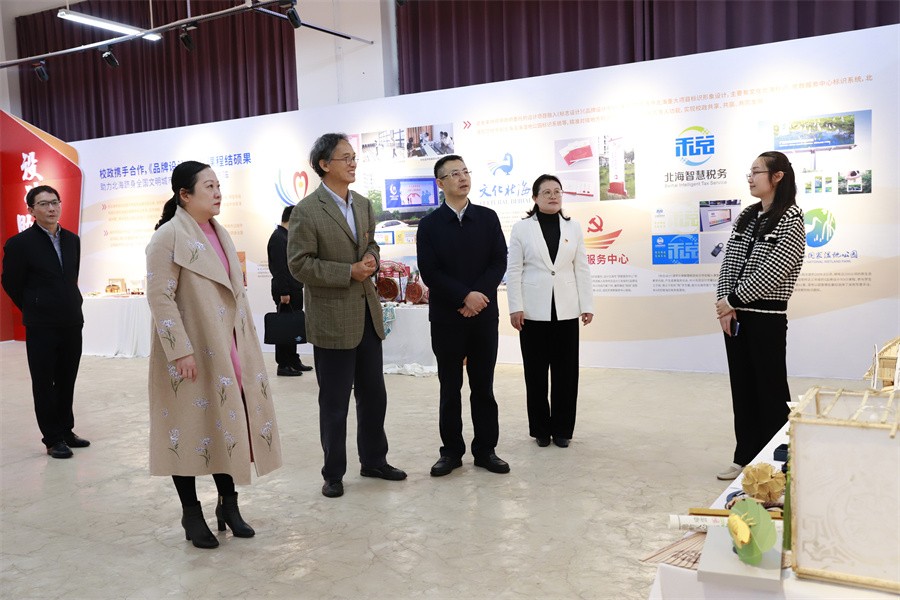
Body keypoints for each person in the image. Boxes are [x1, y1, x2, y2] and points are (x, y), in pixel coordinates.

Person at [146, 161, 283, 548]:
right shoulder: (167, 237)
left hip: (228, 347)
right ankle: (191, 514)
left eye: (218, 185)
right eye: (208, 186)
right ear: (184, 195)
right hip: (191, 352)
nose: (217, 192)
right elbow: (159, 297)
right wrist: (180, 351)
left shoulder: (218, 233)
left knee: (227, 423)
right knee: (188, 427)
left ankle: (229, 505)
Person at [287, 133, 406, 498]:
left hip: (367, 315)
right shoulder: (307, 210)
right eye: (346, 157)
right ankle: (333, 473)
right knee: (335, 403)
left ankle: (374, 461)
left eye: (354, 156)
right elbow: (299, 264)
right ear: (324, 165)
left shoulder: (363, 205)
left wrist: (371, 258)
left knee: (374, 397)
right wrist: (347, 272)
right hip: (332, 319)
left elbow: (371, 243)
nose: (353, 163)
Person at [416, 154, 510, 477]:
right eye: (454, 173)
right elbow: (430, 271)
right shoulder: (429, 225)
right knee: (450, 387)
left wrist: (477, 296)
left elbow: (499, 260)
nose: (462, 177)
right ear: (440, 183)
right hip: (447, 318)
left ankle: (486, 450)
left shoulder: (487, 217)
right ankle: (451, 452)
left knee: (483, 387)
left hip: (483, 316)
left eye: (465, 171)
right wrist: (463, 296)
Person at [714, 151, 805, 480]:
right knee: (742, 388)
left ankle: (778, 463)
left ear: (777, 176)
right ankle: (745, 457)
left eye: (757, 172)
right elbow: (730, 262)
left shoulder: (791, 217)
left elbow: (777, 268)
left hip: (767, 317)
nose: (750, 178)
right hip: (736, 316)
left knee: (771, 390)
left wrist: (733, 299)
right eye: (749, 173)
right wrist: (725, 302)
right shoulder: (747, 215)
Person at [2, 185, 89, 459]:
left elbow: (71, 277)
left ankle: (66, 430)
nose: (51, 208)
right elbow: (11, 282)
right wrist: (34, 305)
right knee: (44, 382)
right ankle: (52, 438)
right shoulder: (20, 244)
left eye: (54, 202)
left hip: (71, 320)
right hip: (41, 325)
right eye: (43, 204)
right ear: (31, 210)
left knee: (67, 379)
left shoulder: (72, 240)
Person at [507, 174, 593, 448]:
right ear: (535, 198)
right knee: (535, 374)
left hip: (566, 310)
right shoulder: (522, 228)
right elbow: (514, 270)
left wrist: (587, 305)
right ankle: (541, 430)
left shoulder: (573, 227)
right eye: (546, 192)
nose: (553, 196)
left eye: (557, 191)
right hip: (532, 312)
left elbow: (582, 268)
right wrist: (515, 307)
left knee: (566, 374)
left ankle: (563, 430)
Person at [266, 205, 313, 377]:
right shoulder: (278, 238)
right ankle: (283, 364)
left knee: (293, 327)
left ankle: (293, 360)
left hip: (294, 287)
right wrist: (284, 292)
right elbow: (279, 269)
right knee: (284, 328)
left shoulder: (286, 237)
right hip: (286, 291)